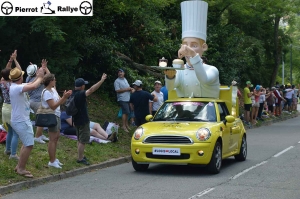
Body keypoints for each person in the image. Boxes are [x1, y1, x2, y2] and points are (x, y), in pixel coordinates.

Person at [164, 1, 220, 98]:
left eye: (194, 45)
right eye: (185, 45)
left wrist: (194, 55)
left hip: (209, 110)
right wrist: (170, 76)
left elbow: (204, 79)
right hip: (183, 110)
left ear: (204, 47)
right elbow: (170, 88)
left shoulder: (212, 70)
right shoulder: (181, 71)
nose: (188, 50)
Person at [9, 65, 45, 178]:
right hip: (21, 121)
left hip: (21, 119)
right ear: (20, 78)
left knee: (26, 143)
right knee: (29, 144)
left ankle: (19, 166)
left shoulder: (17, 85)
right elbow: (34, 85)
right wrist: (40, 76)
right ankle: (21, 168)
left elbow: (32, 83)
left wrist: (40, 74)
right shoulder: (16, 88)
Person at [72, 74, 107, 165]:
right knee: (83, 141)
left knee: (79, 139)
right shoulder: (80, 94)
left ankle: (81, 155)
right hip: (83, 120)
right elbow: (91, 90)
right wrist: (101, 80)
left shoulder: (72, 93)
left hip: (75, 119)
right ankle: (80, 159)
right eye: (84, 85)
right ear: (82, 86)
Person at [41, 73, 72, 168]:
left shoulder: (53, 90)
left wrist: (64, 97)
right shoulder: (46, 92)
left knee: (56, 138)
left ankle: (54, 158)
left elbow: (60, 101)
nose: (55, 81)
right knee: (52, 139)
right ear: (50, 81)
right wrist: (64, 97)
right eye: (54, 79)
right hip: (51, 116)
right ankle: (51, 160)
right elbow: (53, 106)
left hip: (57, 116)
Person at [1, 50, 20, 160]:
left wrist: (10, 60)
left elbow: (5, 72)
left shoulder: (2, 82)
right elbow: (19, 71)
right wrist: (15, 60)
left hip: (4, 107)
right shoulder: (13, 84)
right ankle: (13, 154)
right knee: (16, 132)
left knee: (9, 130)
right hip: (13, 108)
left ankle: (7, 149)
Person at [26, 60, 51, 144]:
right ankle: (37, 137)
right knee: (42, 119)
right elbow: (50, 76)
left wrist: (35, 68)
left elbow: (35, 74)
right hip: (37, 102)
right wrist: (45, 67)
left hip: (31, 101)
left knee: (40, 118)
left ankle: (40, 134)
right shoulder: (40, 80)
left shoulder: (28, 78)